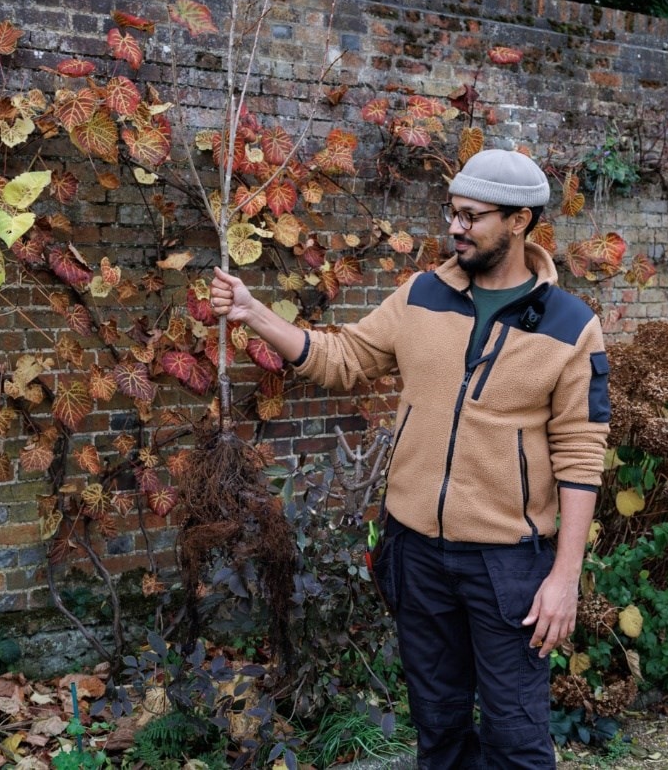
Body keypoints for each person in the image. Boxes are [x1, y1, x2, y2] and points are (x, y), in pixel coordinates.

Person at [209, 147, 610, 769]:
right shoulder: (421, 294)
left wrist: (564, 579)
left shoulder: (570, 324)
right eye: (453, 212)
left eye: (472, 216)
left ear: (520, 221)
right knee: (438, 722)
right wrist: (253, 312)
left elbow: (582, 454)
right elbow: (341, 359)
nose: (456, 226)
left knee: (516, 735)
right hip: (417, 553)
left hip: (508, 565)